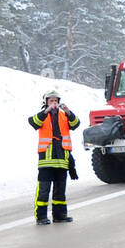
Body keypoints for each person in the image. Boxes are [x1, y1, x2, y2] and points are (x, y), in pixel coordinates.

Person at [29, 89, 80, 225]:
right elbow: (33, 122)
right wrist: (46, 111)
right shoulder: (42, 115)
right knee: (44, 189)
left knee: (60, 190)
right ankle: (41, 217)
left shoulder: (64, 116)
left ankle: (60, 215)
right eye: (51, 100)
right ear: (46, 102)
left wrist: (68, 112)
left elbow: (76, 124)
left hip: (62, 159)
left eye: (56, 100)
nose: (54, 103)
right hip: (46, 160)